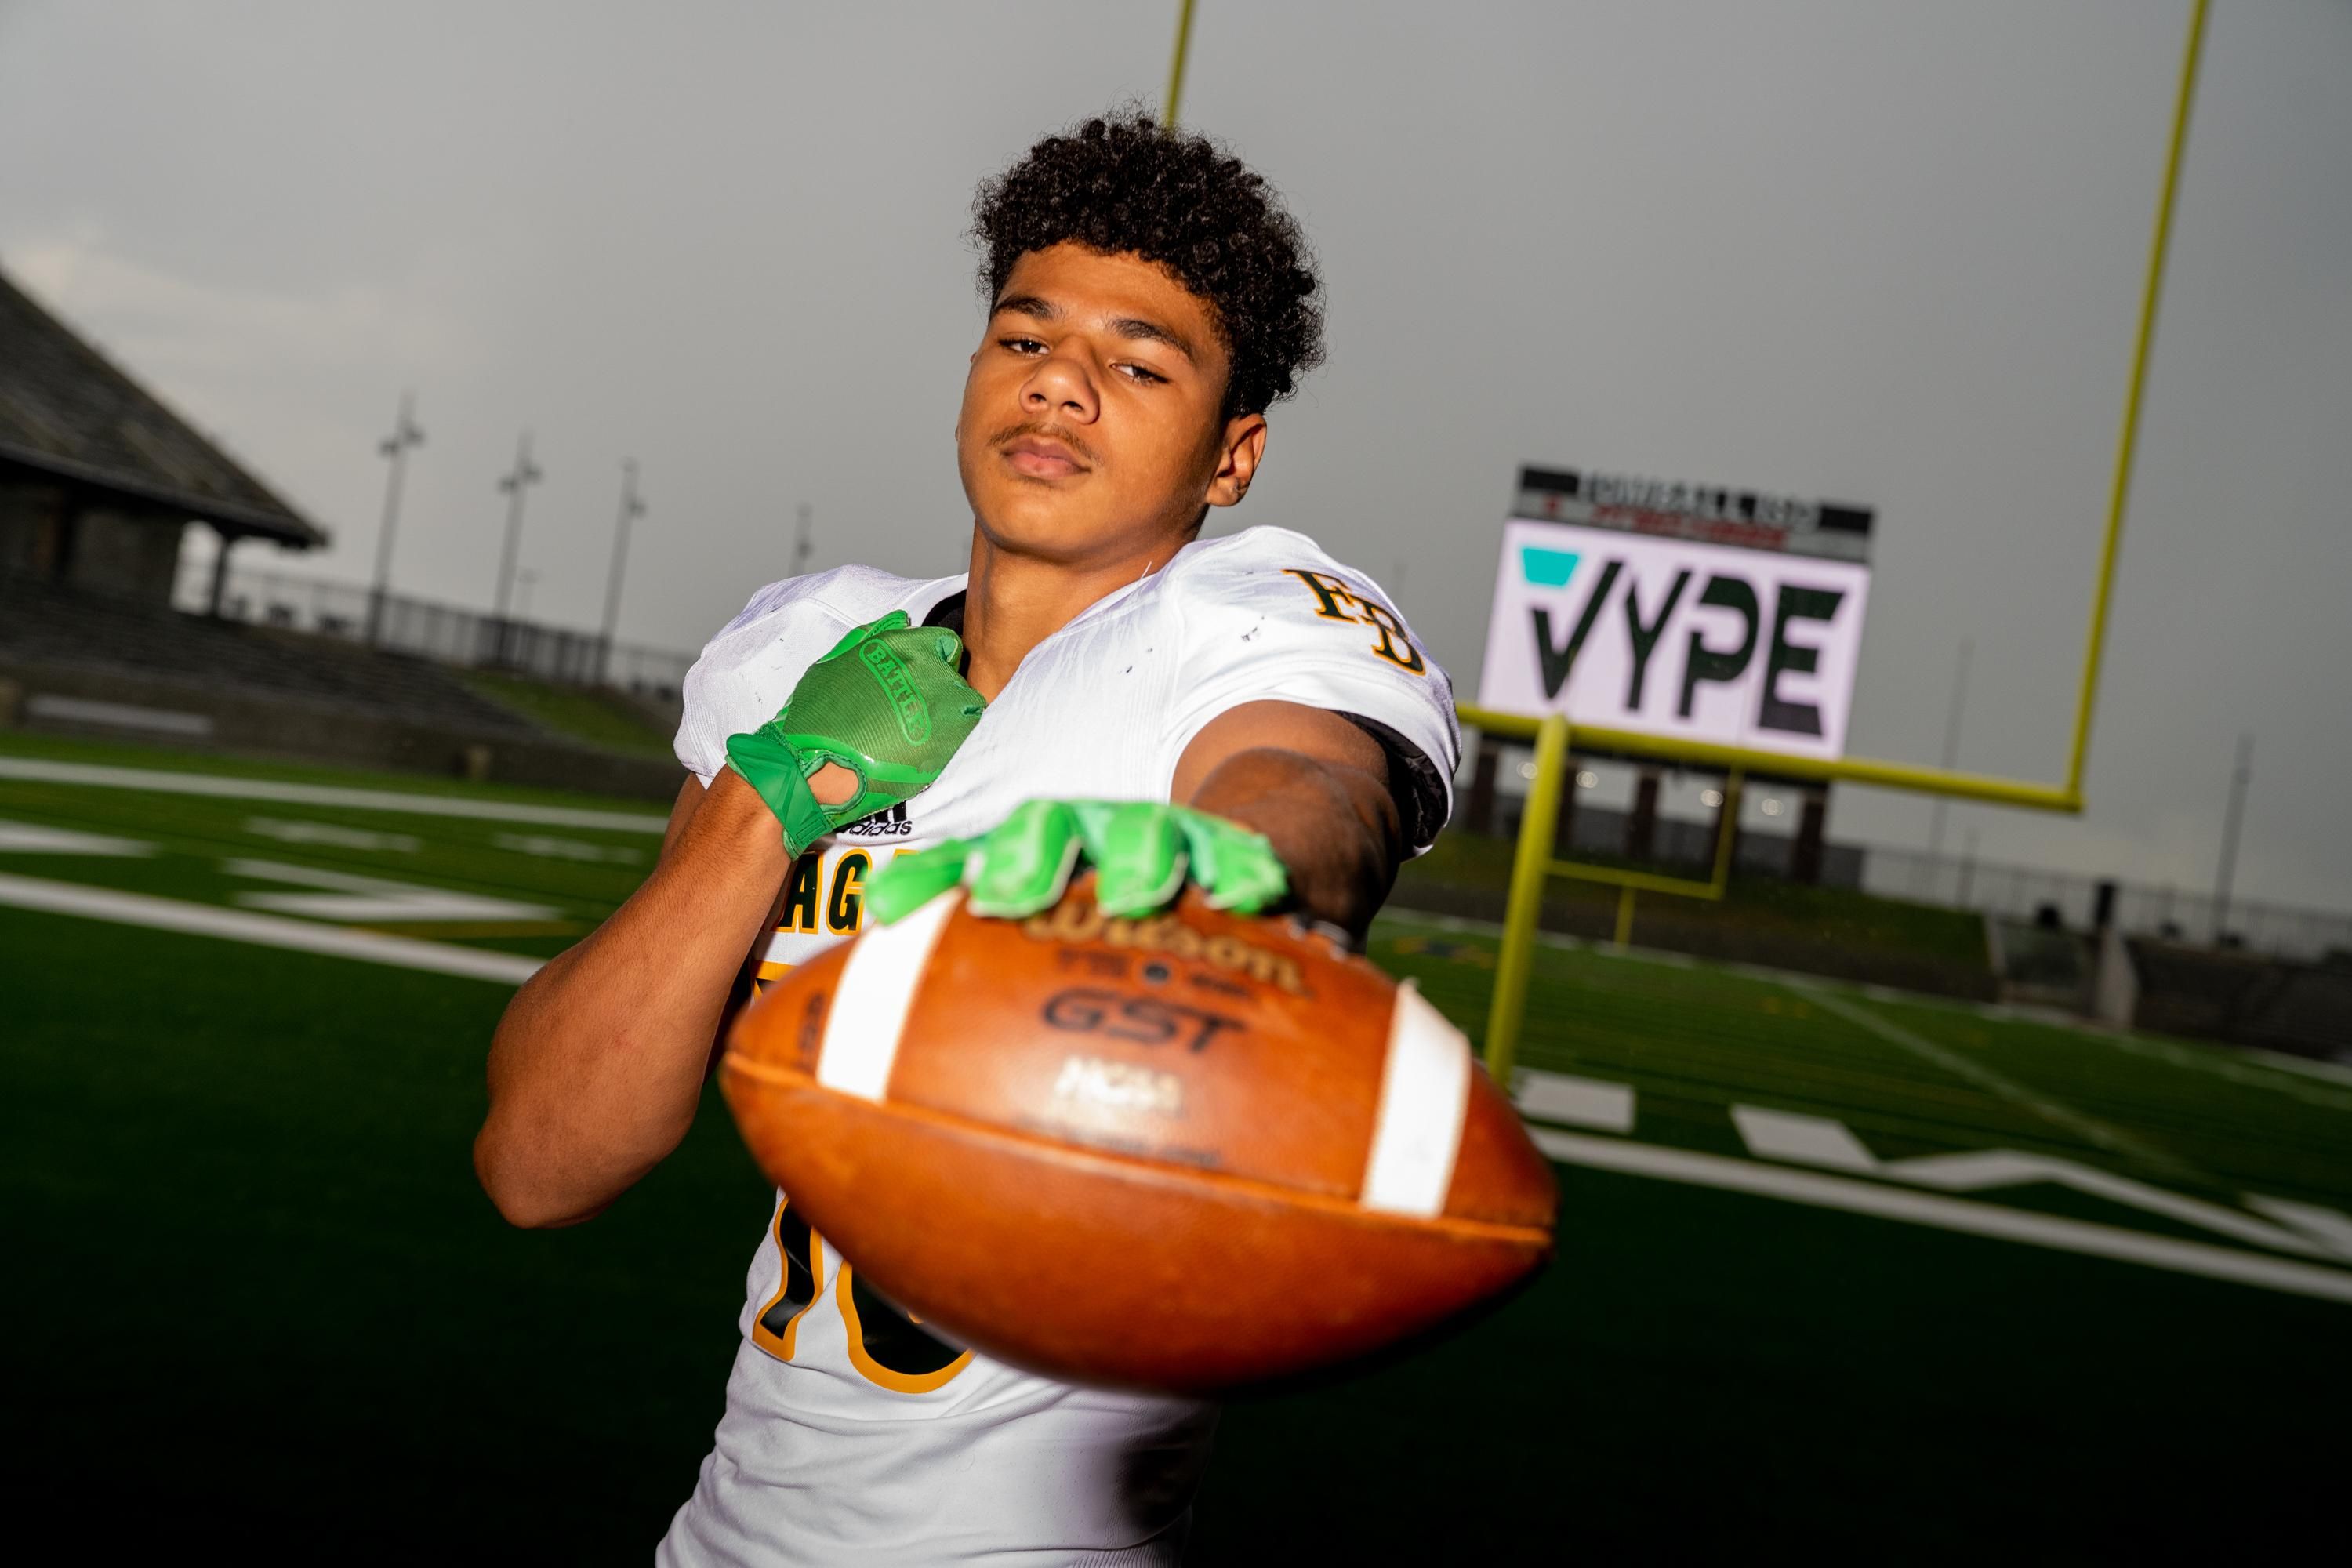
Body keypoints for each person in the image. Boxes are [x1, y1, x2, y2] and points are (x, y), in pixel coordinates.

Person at [475, 111, 1458, 1566]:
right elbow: (542, 1164)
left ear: (1232, 454)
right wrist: (768, 794)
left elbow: (1311, 784)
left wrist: (1234, 892)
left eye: (1140, 363)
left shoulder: (1241, 623)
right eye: (1025, 337)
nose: (1060, 381)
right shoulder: (813, 647)